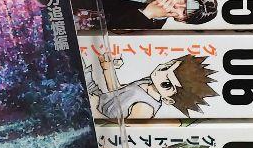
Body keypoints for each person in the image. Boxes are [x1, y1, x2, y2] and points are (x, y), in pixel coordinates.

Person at [87, 50, 217, 121]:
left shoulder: (146, 108)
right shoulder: (147, 82)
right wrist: (107, 68)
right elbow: (117, 90)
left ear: (168, 100)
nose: (159, 74)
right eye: (165, 67)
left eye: (166, 84)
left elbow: (120, 131)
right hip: (96, 97)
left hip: (93, 110)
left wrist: (94, 113)